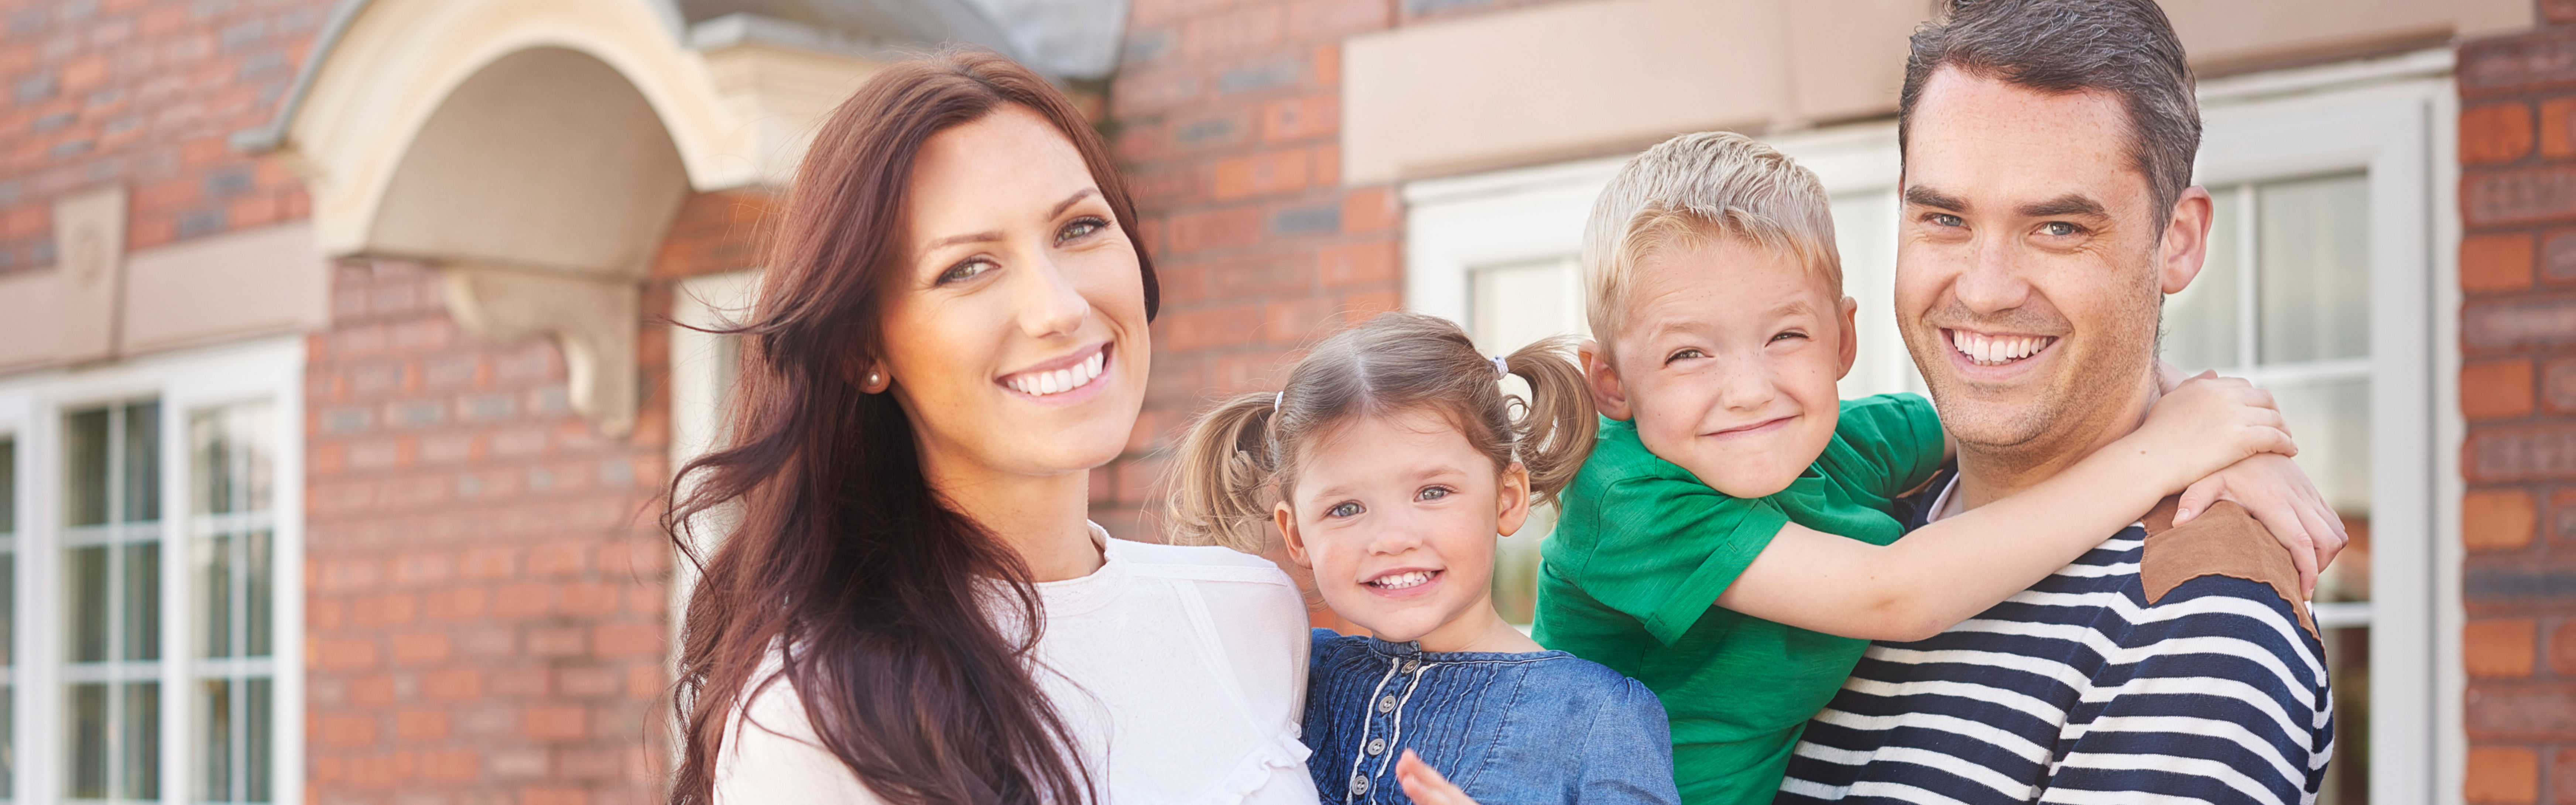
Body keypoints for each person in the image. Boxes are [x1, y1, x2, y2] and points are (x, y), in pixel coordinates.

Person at [1531, 130, 2346, 805]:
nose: (1748, 391)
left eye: (1784, 337)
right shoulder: (1624, 493)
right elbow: (1894, 592)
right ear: (1610, 381)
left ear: (1840, 341)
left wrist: (2219, 429)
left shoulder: (1840, 445)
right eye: (1685, 354)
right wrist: (2168, 449)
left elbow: (2039, 393)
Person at [662, 49, 1316, 805]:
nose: (1060, 307)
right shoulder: (815, 714)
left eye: (1078, 228)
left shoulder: (1252, 613)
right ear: (863, 349)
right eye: (967, 267)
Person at [1776, 1, 2339, 802]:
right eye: (1944, 217)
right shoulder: (1846, 513)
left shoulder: (2199, 613)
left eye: (2059, 229)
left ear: (2175, 240)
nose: (1984, 289)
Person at [1168, 312, 1681, 805]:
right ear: (1297, 535)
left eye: (1433, 493)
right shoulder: (1285, 673)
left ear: (1507, 499)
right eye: (1346, 508)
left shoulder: (1597, 716)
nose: (1391, 539)